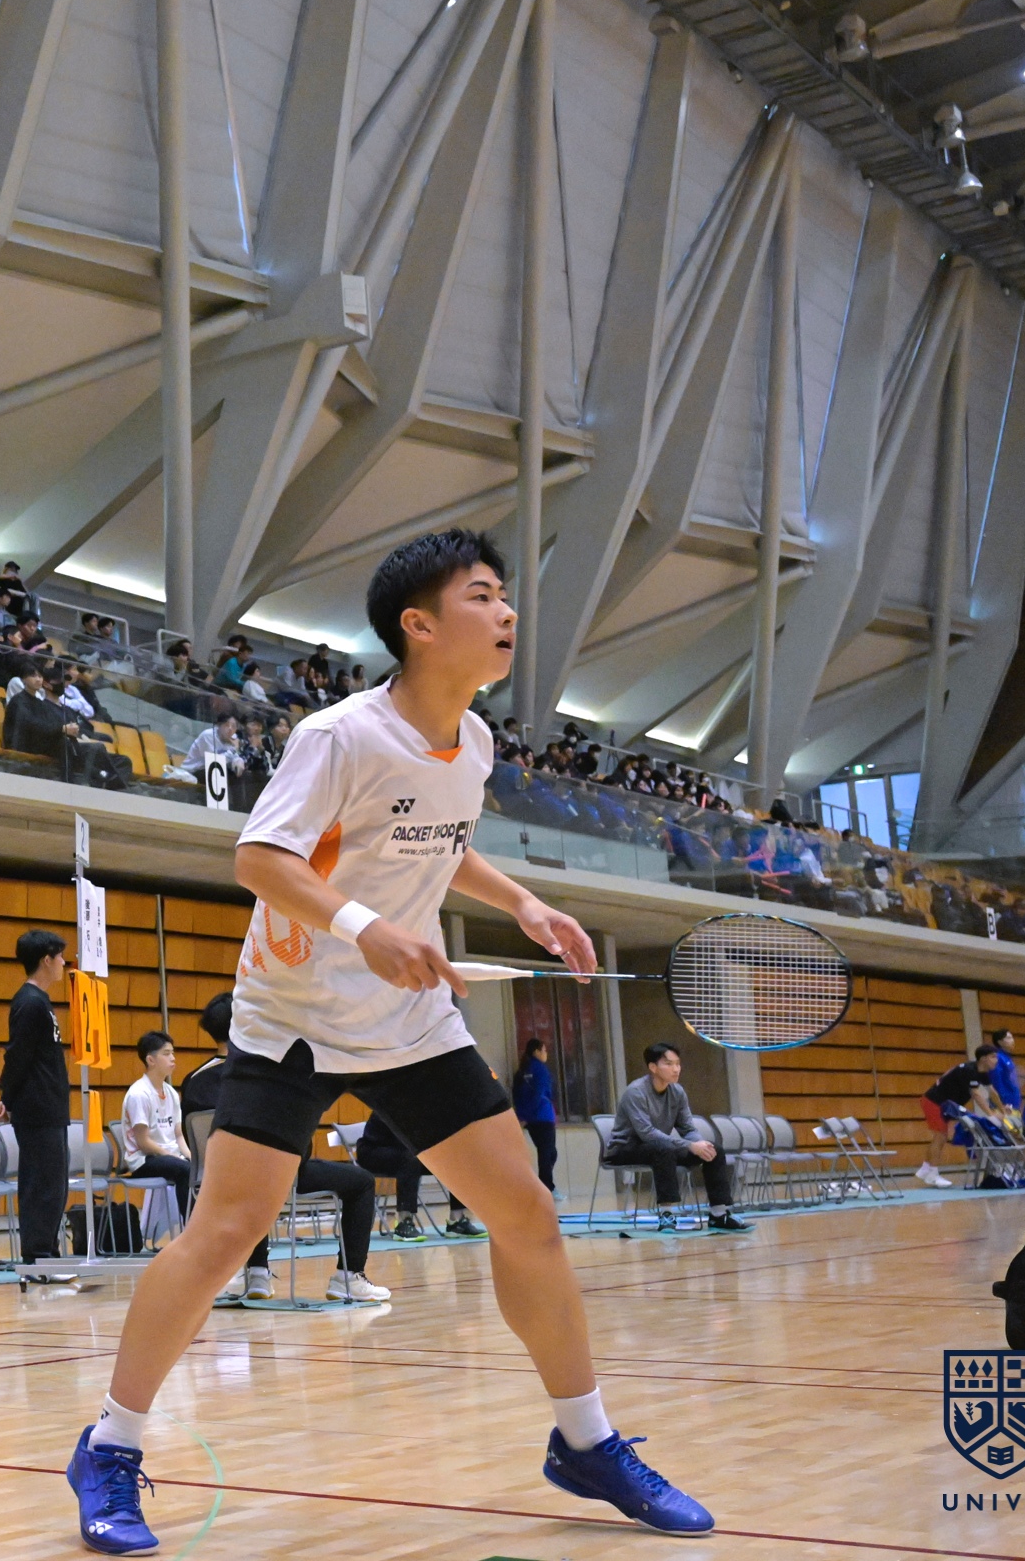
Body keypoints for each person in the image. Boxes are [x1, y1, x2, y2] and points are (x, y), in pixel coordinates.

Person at [65, 530, 717, 1554]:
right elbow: (260, 857)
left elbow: (439, 843)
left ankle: (585, 1442)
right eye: (483, 595)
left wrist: (524, 902)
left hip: (410, 1020)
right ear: (420, 625)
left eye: (504, 597)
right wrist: (367, 929)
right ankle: (109, 1446)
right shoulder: (339, 735)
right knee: (226, 1232)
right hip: (294, 1018)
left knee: (528, 1216)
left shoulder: (476, 742)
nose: (507, 613)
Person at [180, 993, 387, 1303]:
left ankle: (258, 1273)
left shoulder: (192, 1081)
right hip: (275, 1178)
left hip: (213, 1180)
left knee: (249, 1175)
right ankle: (348, 1277)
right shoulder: (261, 1077)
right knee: (361, 1182)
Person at [601, 1044, 751, 1234]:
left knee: (714, 1150)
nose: (676, 1069)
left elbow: (687, 1128)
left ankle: (719, 1214)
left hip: (659, 1147)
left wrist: (700, 1144)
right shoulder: (636, 1092)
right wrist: (689, 1145)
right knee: (663, 1149)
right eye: (669, 1064)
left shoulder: (677, 1092)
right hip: (625, 1149)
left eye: (678, 1064)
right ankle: (667, 1215)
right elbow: (646, 1132)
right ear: (653, 1067)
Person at [0, 929, 73, 1278]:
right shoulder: (29, 1002)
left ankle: (48, 1256)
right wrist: (7, 1097)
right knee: (41, 1186)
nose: (63, 963)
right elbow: (18, 1056)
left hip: (50, 1108)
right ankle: (37, 1259)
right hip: (37, 1109)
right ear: (46, 959)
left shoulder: (40, 1001)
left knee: (54, 1185)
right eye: (60, 957)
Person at [354, 1110, 487, 1239]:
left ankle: (457, 1221)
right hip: (374, 1150)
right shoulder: (396, 1101)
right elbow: (405, 1138)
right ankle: (404, 1222)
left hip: (408, 1151)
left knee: (455, 1158)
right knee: (410, 1159)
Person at [120, 1032, 194, 1208]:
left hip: (170, 1157)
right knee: (185, 1170)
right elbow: (144, 1143)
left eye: (173, 1053)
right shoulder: (139, 1094)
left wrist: (192, 1157)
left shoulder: (171, 1093)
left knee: (201, 1168)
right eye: (166, 1054)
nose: (173, 1058)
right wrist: (173, 1156)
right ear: (150, 1060)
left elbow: (178, 1135)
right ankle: (190, 1222)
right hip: (144, 1160)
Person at [917, 1043, 1004, 1187]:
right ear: (983, 1058)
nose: (997, 1060)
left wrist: (1002, 1110)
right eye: (993, 1057)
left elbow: (992, 1092)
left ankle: (925, 1169)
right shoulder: (969, 1071)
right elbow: (976, 1094)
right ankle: (932, 1175)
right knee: (941, 1136)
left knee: (940, 1136)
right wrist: (991, 1115)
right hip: (934, 1102)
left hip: (943, 1104)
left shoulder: (982, 1072)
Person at [513, 1037, 558, 1192]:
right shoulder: (541, 1070)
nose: (546, 1054)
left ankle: (544, 1187)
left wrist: (523, 1116)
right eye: (544, 1050)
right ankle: (546, 1188)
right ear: (536, 1052)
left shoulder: (521, 1071)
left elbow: (517, 1096)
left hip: (531, 1120)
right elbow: (540, 1094)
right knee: (548, 1154)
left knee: (546, 1153)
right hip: (543, 1117)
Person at [986, 1028, 1021, 1108]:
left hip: (1013, 1103)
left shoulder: (1008, 1058)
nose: (1012, 1040)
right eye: (1008, 1038)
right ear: (1000, 1042)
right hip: (1004, 1105)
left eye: (1012, 1037)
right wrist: (1003, 1102)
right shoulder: (997, 1058)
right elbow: (996, 1082)